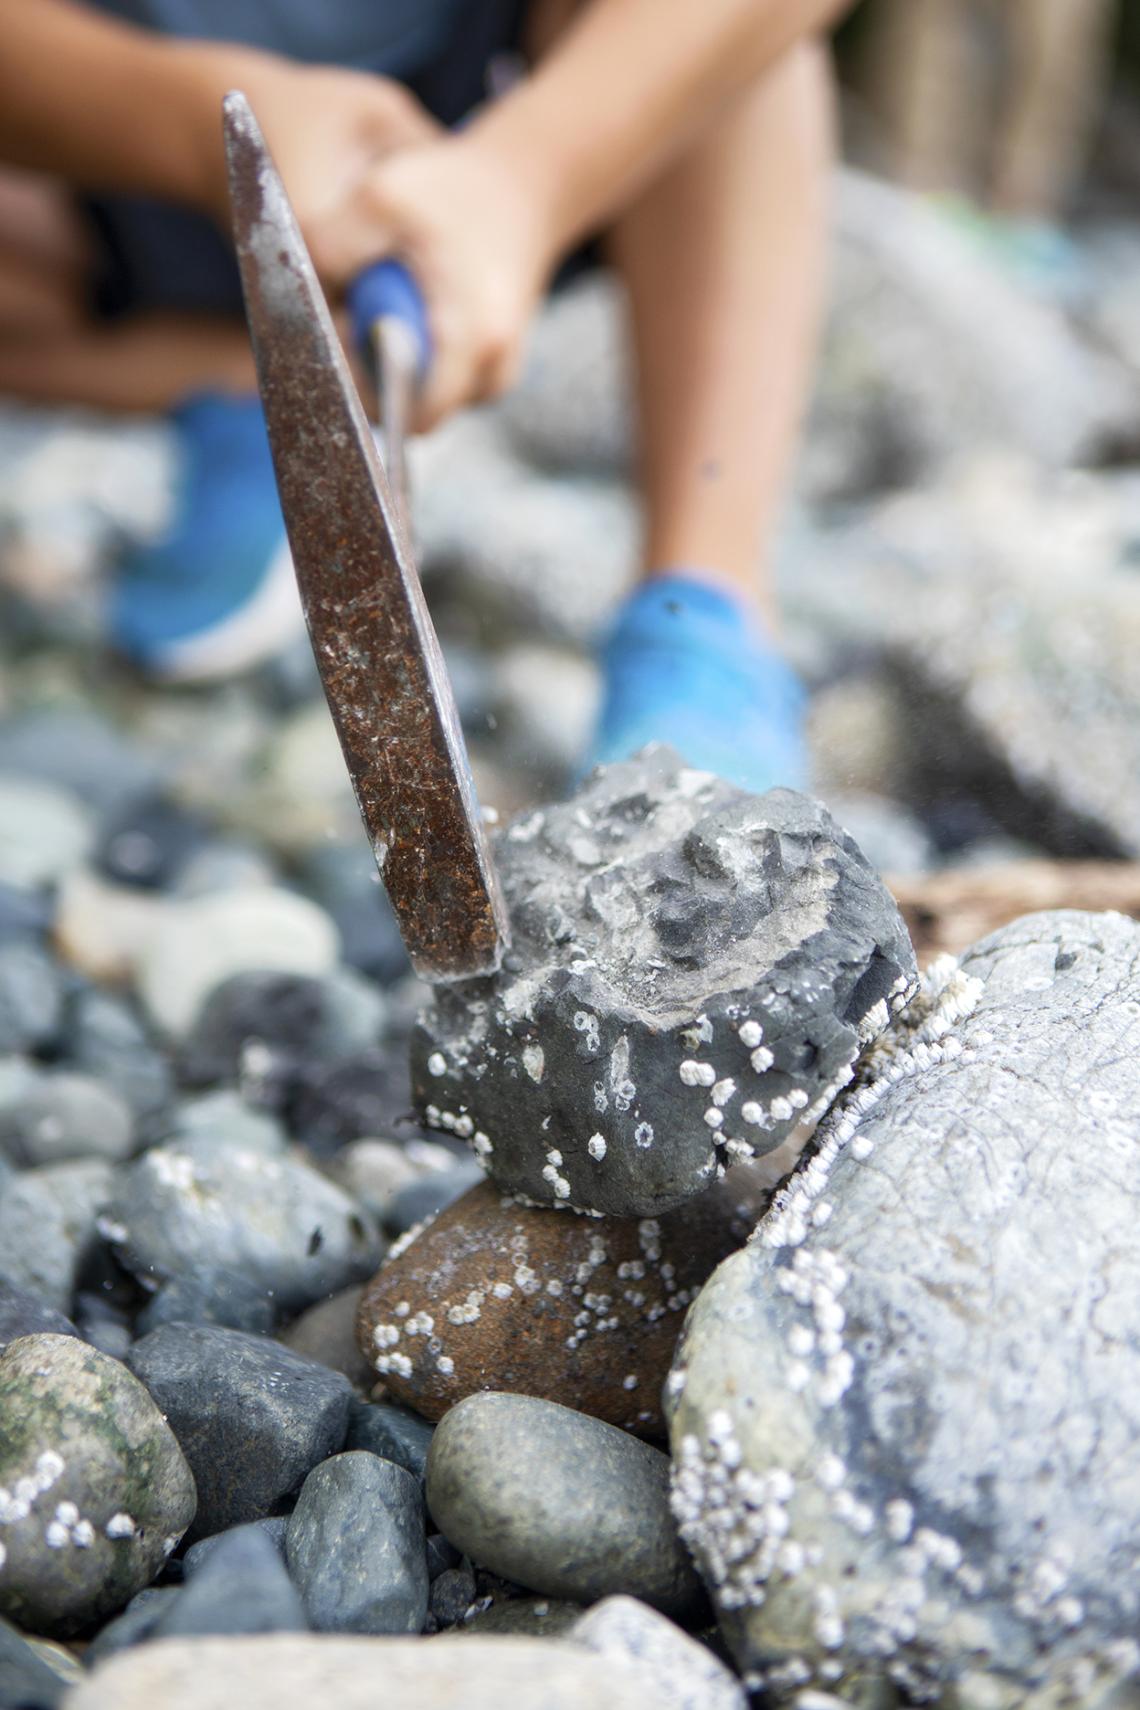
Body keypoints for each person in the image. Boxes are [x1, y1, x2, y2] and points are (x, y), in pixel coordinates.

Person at [0, 0, 844, 793]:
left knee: (731, 47)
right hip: (131, 140)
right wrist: (198, 125)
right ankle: (264, 382)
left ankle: (702, 606)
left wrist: (525, 176)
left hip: (534, 105)